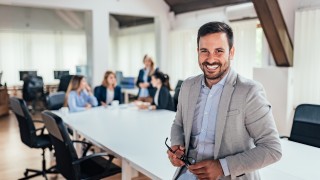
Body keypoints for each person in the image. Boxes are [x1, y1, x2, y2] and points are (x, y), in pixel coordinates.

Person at [168, 22, 282, 180]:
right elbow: (179, 123)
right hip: (188, 173)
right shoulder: (188, 86)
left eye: (219, 51)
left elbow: (272, 149)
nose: (211, 59)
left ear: (231, 52)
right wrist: (176, 146)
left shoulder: (249, 91)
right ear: (198, 52)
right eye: (204, 51)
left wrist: (223, 167)